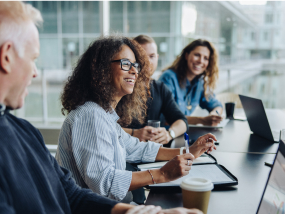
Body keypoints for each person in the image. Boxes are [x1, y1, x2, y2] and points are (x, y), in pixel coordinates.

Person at [0, 2, 209, 214]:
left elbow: (71, 196)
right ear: (6, 56)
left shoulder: (20, 129)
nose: (35, 73)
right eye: (33, 59)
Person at [56, 36, 217, 203]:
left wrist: (189, 151)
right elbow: (105, 183)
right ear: (100, 69)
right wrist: (163, 174)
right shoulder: (90, 116)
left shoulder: (104, 114)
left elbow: (138, 149)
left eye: (135, 65)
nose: (134, 71)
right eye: (125, 64)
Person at [122, 35, 188, 145]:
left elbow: (182, 121)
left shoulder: (160, 88)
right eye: (141, 56)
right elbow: (103, 126)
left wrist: (169, 133)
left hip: (151, 154)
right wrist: (134, 133)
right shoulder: (122, 87)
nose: (147, 61)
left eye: (151, 56)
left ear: (157, 58)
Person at [159, 39, 223, 126]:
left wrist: (215, 114)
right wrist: (202, 120)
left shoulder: (200, 82)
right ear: (186, 56)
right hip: (166, 134)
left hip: (184, 133)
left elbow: (217, 105)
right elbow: (167, 118)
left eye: (205, 58)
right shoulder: (169, 78)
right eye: (197, 55)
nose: (201, 61)